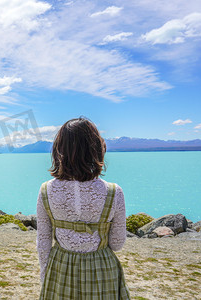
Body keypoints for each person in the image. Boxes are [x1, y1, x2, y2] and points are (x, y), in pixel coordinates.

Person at [37, 117, 130, 299]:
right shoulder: (114, 192)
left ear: (59, 150)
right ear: (96, 149)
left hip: (60, 267)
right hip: (102, 269)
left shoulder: (46, 190)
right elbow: (117, 244)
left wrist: (45, 275)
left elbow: (43, 243)